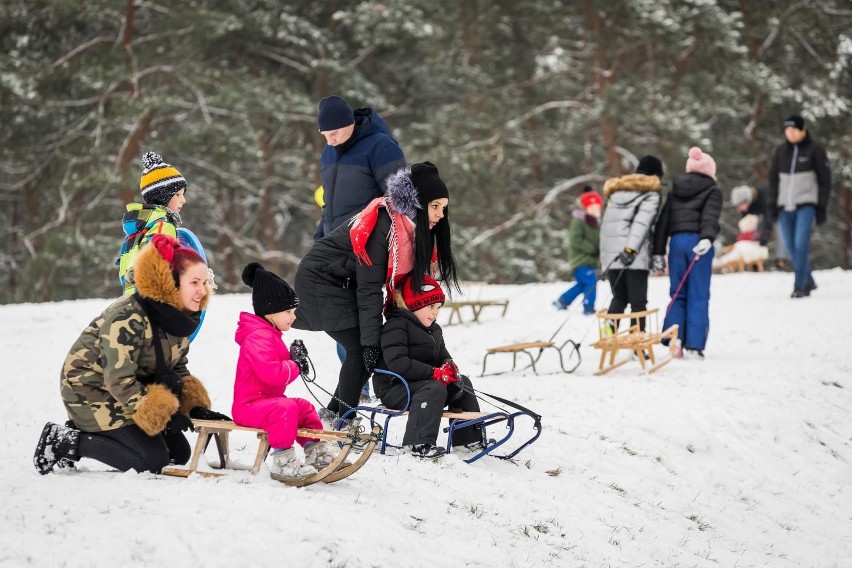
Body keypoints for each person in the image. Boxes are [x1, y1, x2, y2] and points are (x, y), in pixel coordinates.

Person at [34, 234, 230, 475]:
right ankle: (66, 440)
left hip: (132, 387)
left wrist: (194, 407)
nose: (202, 291)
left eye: (204, 283)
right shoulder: (128, 315)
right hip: (90, 388)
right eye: (194, 283)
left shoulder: (178, 315)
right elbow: (118, 379)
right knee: (152, 462)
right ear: (171, 282)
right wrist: (160, 412)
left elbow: (176, 367)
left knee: (179, 455)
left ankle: (100, 432)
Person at [292, 161, 459, 425]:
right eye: (434, 206)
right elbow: (370, 287)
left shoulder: (407, 228)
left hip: (345, 284)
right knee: (362, 349)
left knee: (366, 348)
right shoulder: (385, 224)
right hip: (321, 283)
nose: (439, 214)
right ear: (417, 203)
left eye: (443, 208)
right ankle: (345, 419)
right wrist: (372, 340)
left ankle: (335, 412)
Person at [315, 95, 406, 401]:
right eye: (325, 136)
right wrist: (321, 236)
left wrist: (400, 244)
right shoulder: (329, 154)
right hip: (338, 247)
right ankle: (358, 385)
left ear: (351, 123)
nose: (331, 140)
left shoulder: (380, 146)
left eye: (336, 133)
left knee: (365, 318)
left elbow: (402, 198)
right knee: (343, 318)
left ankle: (385, 381)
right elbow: (329, 204)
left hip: (370, 246)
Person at [233, 263, 347, 480]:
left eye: (293, 311)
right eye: (287, 311)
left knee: (302, 407)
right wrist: (295, 364)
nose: (293, 316)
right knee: (284, 407)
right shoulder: (257, 337)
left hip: (266, 403)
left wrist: (294, 358)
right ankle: (283, 462)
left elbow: (277, 373)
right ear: (270, 310)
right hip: (248, 407)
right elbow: (272, 374)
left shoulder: (269, 335)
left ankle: (317, 453)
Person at [373, 273, 485, 458]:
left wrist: (448, 366)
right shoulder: (396, 327)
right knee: (434, 388)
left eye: (438, 307)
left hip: (424, 384)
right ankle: (417, 444)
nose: (435, 312)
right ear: (412, 305)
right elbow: (398, 362)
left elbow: (442, 354)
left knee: (462, 383)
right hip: (395, 388)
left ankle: (467, 440)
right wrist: (433, 373)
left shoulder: (434, 329)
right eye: (431, 306)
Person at [652, 147, 723, 360]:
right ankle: (694, 345)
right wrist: (707, 238)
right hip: (697, 243)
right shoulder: (713, 190)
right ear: (710, 171)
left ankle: (674, 341)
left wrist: (658, 251)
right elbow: (710, 217)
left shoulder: (675, 190)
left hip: (676, 244)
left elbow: (663, 222)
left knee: (677, 291)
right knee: (698, 294)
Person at [767, 114, 832, 298]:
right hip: (783, 207)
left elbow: (825, 181)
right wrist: (772, 206)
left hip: (806, 205)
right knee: (790, 248)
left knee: (801, 245)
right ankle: (809, 280)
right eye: (787, 130)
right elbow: (773, 181)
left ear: (802, 130)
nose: (791, 133)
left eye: (794, 129)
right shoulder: (780, 151)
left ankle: (800, 285)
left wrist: (821, 207)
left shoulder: (815, 150)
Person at [599, 156, 663, 331]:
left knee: (619, 297)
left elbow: (606, 228)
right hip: (633, 256)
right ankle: (638, 345)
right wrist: (630, 250)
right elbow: (641, 224)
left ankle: (610, 329)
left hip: (612, 256)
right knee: (638, 302)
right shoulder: (650, 194)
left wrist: (605, 259)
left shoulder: (616, 193)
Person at [118, 151, 190, 295]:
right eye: (177, 194)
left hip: (136, 304)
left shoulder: (139, 229)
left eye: (183, 194)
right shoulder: (163, 227)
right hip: (157, 304)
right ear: (162, 197)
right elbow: (162, 270)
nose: (183, 200)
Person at [552, 189, 602, 315]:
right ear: (585, 208)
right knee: (591, 280)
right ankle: (588, 307)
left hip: (590, 260)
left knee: (582, 283)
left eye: (597, 208)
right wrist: (591, 249)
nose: (595, 210)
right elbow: (576, 238)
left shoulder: (596, 223)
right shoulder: (579, 221)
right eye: (592, 208)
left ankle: (563, 301)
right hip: (580, 259)